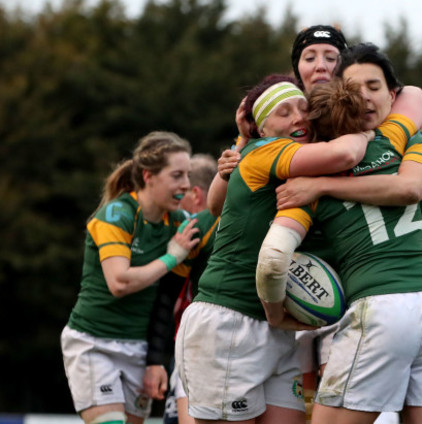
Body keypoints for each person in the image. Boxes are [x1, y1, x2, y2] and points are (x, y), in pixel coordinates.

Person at [256, 43, 422, 424]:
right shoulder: (397, 140)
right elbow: (413, 97)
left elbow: (274, 257)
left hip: (382, 307)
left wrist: (275, 311)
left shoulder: (306, 181)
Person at [175, 74, 381, 424]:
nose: (299, 117)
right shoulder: (264, 151)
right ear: (264, 128)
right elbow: (345, 153)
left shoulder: (302, 177)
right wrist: (366, 131)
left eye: (303, 108)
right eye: (284, 112)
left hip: (277, 328)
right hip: (228, 321)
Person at [60, 131, 201, 424]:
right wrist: (172, 256)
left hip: (138, 347)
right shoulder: (116, 215)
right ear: (149, 176)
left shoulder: (180, 224)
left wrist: (154, 362)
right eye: (176, 176)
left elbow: (166, 301)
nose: (186, 185)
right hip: (93, 343)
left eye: (187, 176)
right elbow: (119, 283)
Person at [143, 153, 219, 424]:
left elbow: (166, 299)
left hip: (197, 348)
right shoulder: (180, 231)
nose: (176, 202)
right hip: (188, 349)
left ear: (196, 195)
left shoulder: (196, 229)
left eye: (182, 194)